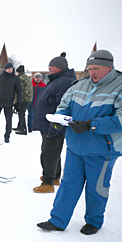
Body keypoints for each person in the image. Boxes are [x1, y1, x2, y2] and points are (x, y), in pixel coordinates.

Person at [37, 49, 122, 235]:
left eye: (96, 68)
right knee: (68, 185)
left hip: (102, 149)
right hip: (76, 145)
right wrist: (59, 119)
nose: (92, 72)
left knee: (96, 188)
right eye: (89, 68)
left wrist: (92, 125)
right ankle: (57, 220)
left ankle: (94, 221)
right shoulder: (80, 84)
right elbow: (64, 105)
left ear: (109, 67)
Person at [33, 54, 76, 193]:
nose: (49, 68)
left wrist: (56, 124)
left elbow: (63, 105)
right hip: (48, 123)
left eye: (52, 66)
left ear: (60, 68)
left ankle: (48, 182)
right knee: (52, 151)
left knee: (49, 153)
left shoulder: (64, 82)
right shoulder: (58, 80)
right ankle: (55, 177)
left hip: (54, 124)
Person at [0, 62, 22, 143]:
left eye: (11, 68)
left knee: (9, 120)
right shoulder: (0, 77)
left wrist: (18, 103)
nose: (10, 70)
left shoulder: (16, 78)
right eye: (8, 68)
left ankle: (7, 136)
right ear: (5, 69)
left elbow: (19, 91)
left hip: (9, 103)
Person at [14, 65, 33, 135]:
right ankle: (19, 126)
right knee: (21, 113)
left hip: (24, 99)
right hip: (28, 99)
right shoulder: (26, 77)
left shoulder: (20, 79)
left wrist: (17, 101)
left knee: (21, 113)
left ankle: (23, 129)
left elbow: (19, 91)